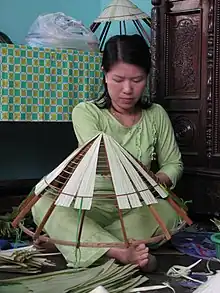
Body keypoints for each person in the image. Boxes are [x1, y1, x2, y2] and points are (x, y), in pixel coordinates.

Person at [32, 34, 183, 272]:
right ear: (104, 73)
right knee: (42, 203)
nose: (127, 89)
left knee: (170, 212)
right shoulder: (86, 112)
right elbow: (102, 160)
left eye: (137, 79)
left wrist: (159, 179)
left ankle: (69, 243)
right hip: (91, 203)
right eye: (118, 79)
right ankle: (120, 252)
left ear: (147, 77)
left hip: (136, 204)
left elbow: (173, 163)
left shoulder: (156, 115)